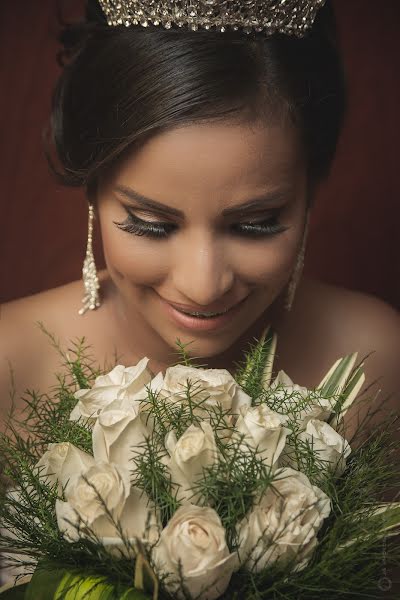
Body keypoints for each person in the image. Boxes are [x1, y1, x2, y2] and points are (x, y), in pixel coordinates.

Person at [0, 0, 399, 439]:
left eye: (256, 224)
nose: (204, 286)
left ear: (309, 191)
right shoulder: (9, 364)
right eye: (151, 224)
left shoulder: (372, 360)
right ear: (93, 189)